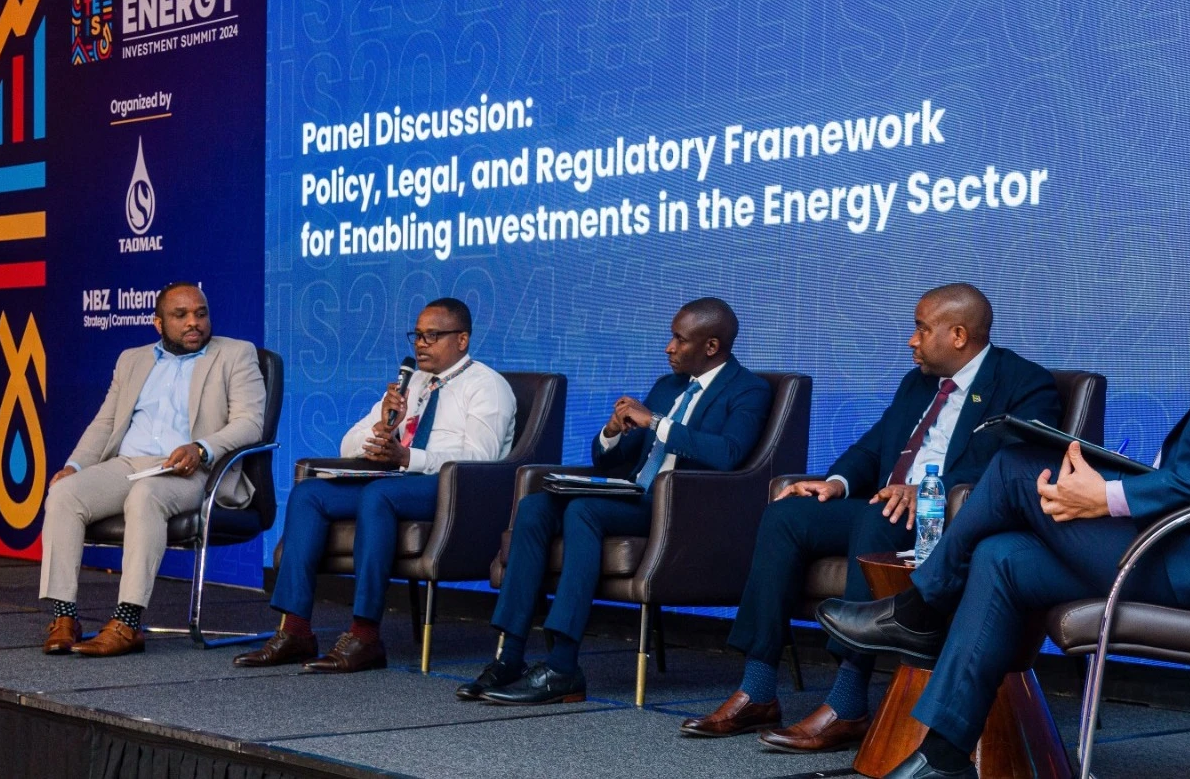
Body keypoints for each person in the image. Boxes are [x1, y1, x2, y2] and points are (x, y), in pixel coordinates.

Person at [819, 210, 1190, 779]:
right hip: (1186, 537)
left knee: (1015, 468)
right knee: (1002, 558)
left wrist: (1112, 496)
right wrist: (1113, 485)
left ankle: (919, 610)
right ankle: (943, 758)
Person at [682, 283, 1061, 751]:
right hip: (889, 507)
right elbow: (875, 443)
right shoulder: (917, 383)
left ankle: (848, 702)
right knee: (788, 515)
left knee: (876, 518)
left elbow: (1015, 469)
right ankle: (757, 689)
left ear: (959, 335)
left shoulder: (1025, 384)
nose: (911, 340)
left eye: (922, 329)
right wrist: (835, 482)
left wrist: (926, 490)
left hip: (949, 521)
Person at [462, 297, 772, 705]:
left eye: (679, 339)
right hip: (632, 495)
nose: (669, 347)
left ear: (711, 346)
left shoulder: (749, 390)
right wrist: (612, 432)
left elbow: (729, 454)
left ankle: (562, 666)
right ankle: (510, 657)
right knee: (536, 506)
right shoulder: (667, 386)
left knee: (584, 509)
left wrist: (656, 422)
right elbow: (615, 458)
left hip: (680, 510)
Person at [235, 297, 516, 673]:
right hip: (398, 482)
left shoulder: (487, 386)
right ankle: (296, 630)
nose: (420, 344)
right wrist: (382, 428)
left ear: (462, 340)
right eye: (416, 336)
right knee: (310, 494)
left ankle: (365, 634)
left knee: (377, 495)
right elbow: (348, 444)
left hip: (454, 492)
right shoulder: (413, 384)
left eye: (432, 336)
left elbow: (480, 459)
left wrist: (408, 458)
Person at [39, 282, 266, 657]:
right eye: (181, 316)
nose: (194, 323)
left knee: (147, 496)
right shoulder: (133, 359)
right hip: (128, 464)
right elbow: (105, 422)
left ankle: (128, 623)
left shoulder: (236, 354)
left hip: (193, 472)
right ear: (157, 323)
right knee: (64, 493)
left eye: (201, 314)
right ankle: (64, 617)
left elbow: (250, 423)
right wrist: (74, 466)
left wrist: (202, 448)